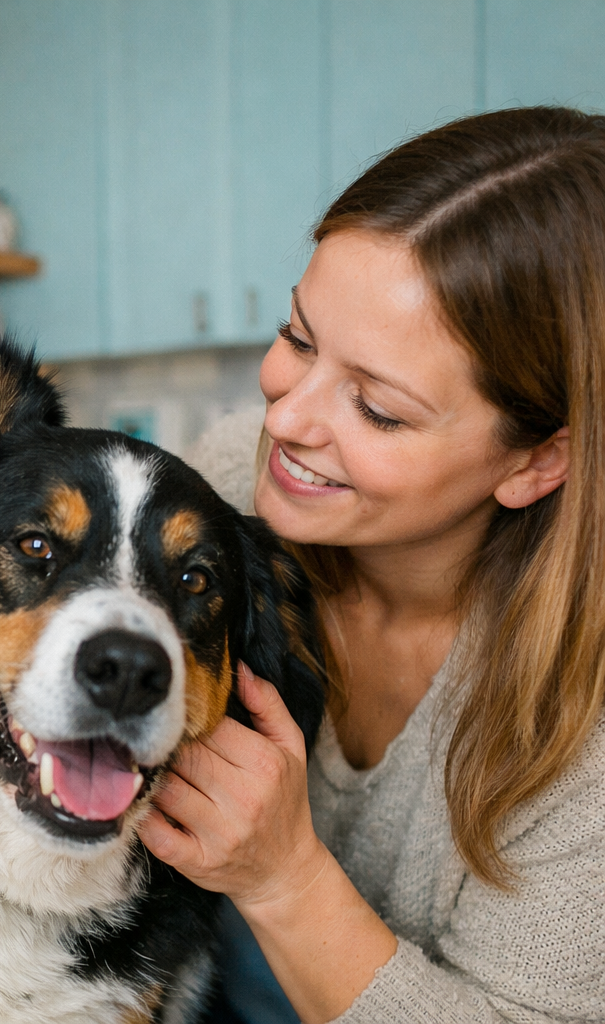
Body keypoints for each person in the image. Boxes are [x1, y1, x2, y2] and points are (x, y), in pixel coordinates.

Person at [144, 106, 605, 1023]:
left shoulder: (585, 725)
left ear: (535, 461)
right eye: (298, 339)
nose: (288, 420)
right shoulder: (233, 486)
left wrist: (282, 879)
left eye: (379, 410)